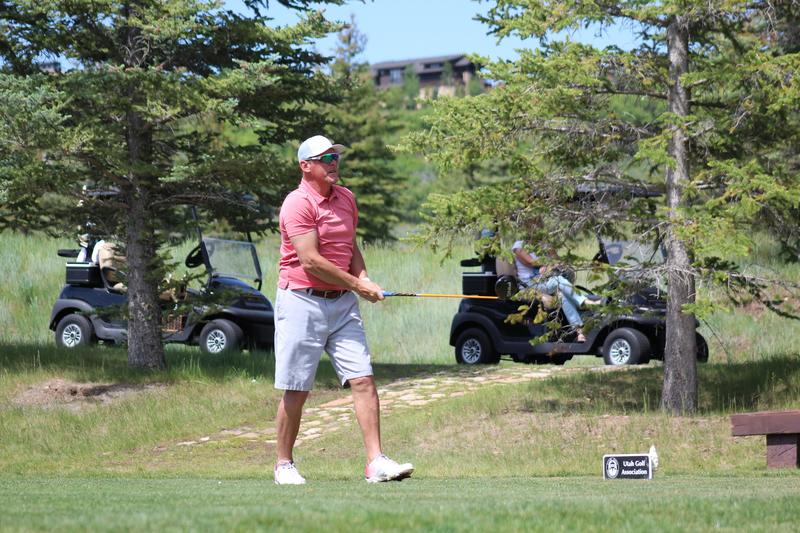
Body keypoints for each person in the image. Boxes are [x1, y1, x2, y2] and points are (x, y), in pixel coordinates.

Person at [273, 134, 414, 485]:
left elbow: (349, 246)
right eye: (326, 159)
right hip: (301, 300)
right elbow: (310, 260)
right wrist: (356, 284)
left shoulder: (346, 198)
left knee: (363, 378)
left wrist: (364, 279)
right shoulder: (297, 203)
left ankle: (375, 462)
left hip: (342, 303)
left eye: (335, 157)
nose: (334, 163)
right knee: (297, 387)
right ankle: (283, 465)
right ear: (306, 166)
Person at [511, 240, 600, 342]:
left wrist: (556, 262)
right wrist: (550, 264)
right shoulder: (518, 246)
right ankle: (584, 302)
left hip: (546, 281)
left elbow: (556, 259)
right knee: (558, 280)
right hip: (530, 285)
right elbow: (531, 263)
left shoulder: (542, 242)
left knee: (562, 294)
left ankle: (579, 331)